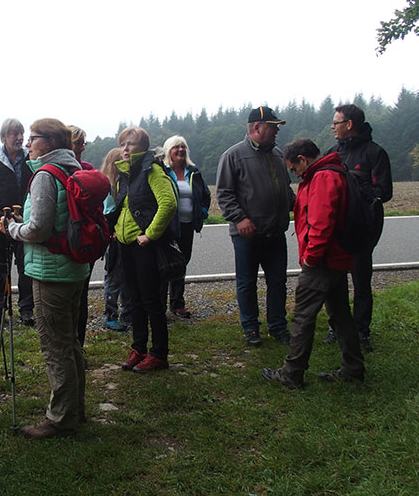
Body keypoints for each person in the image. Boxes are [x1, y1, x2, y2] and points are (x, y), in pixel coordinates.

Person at [0, 118, 90, 438]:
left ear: (49, 142)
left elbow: (37, 230)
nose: (27, 143)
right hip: (74, 268)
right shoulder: (73, 168)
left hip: (50, 272)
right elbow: (56, 220)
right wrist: (24, 218)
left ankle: (60, 418)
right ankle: (76, 408)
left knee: (55, 346)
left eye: (33, 138)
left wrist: (13, 228)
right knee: (70, 343)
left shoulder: (44, 175)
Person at [262, 138, 364, 388]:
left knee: (302, 317)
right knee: (340, 315)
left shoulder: (322, 178)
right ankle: (353, 368)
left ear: (303, 160)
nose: (294, 174)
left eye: (293, 168)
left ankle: (292, 372)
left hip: (323, 262)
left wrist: (311, 258)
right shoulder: (334, 172)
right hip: (337, 259)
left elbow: (321, 223)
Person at [216, 106, 295, 347]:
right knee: (247, 283)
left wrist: (302, 206)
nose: (277, 130)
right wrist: (240, 219)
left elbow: (286, 190)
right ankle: (250, 328)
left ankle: (278, 327)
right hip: (247, 235)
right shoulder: (233, 156)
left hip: (275, 233)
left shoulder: (278, 155)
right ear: (257, 128)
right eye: (273, 126)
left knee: (278, 281)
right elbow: (224, 194)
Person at [322, 104, 393, 352]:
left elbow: (384, 192)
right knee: (335, 281)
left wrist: (352, 191)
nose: (332, 127)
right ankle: (337, 328)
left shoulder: (375, 153)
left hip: (363, 230)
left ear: (349, 124)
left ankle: (362, 332)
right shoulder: (331, 153)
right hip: (336, 230)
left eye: (336, 122)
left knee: (361, 282)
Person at [108, 127, 177, 373]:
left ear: (143, 147)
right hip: (126, 245)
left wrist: (151, 234)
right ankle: (139, 348)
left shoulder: (152, 170)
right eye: (123, 144)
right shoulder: (126, 173)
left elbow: (168, 203)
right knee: (133, 300)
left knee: (151, 301)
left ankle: (159, 354)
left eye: (131, 144)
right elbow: (125, 207)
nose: (125, 149)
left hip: (145, 246)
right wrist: (116, 230)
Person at [0, 119, 35, 328]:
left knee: (25, 267)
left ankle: (26, 310)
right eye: (14, 134)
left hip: (24, 222)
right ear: (4, 137)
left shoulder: (30, 159)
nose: (20, 137)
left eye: (21, 133)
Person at [161, 135, 212, 318]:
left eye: (183, 147)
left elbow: (205, 195)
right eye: (176, 147)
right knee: (165, 265)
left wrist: (203, 212)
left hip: (188, 226)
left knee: (181, 264)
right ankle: (159, 304)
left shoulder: (193, 172)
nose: (180, 150)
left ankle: (177, 303)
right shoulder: (163, 172)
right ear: (169, 151)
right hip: (167, 227)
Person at [100, 147, 131, 331]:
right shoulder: (109, 186)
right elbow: (108, 212)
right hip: (113, 237)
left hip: (122, 234)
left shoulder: (120, 182)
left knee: (126, 275)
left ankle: (126, 310)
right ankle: (110, 315)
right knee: (113, 276)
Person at [69, 125, 94, 349]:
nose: (82, 147)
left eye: (83, 143)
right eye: (78, 143)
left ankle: (78, 346)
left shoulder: (88, 170)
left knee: (81, 296)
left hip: (84, 241)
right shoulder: (53, 169)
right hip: (63, 242)